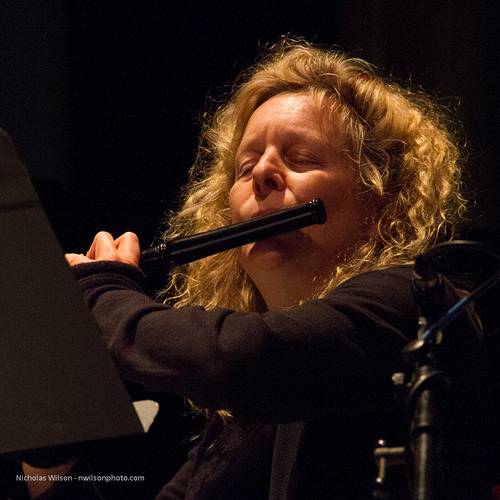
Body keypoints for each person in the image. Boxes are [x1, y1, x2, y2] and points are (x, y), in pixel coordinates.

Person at [30, 38, 495, 498]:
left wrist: (100, 293)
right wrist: (54, 439)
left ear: (382, 199)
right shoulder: (250, 416)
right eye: (245, 164)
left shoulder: (410, 307)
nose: (261, 173)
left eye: (301, 158)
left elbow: (238, 357)